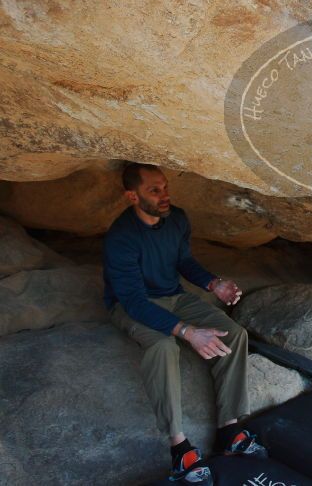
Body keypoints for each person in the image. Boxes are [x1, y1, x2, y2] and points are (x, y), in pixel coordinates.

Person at [103, 163, 266, 485]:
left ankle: (229, 429)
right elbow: (133, 301)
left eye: (164, 187)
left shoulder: (176, 218)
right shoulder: (120, 237)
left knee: (234, 334)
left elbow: (184, 261)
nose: (164, 196)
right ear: (131, 196)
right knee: (163, 346)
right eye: (154, 190)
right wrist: (188, 333)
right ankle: (179, 448)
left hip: (175, 297)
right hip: (134, 304)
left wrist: (213, 284)